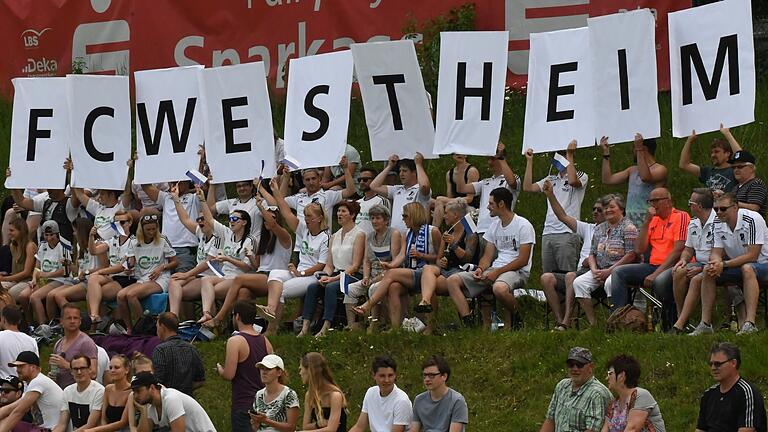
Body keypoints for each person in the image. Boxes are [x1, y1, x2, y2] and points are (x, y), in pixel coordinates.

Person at [446, 187, 535, 329]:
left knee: (499, 288)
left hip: (516, 271)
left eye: (491, 204)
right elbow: (487, 256)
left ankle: (517, 317)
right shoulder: (494, 226)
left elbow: (523, 260)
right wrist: (480, 269)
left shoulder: (523, 225)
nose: (487, 207)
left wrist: (497, 272)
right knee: (452, 280)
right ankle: (468, 322)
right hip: (495, 270)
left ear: (501, 204)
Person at [210, 189, 292, 335]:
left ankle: (219, 318)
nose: (267, 220)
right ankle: (241, 329)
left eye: (272, 217)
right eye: (266, 217)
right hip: (262, 276)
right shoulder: (263, 239)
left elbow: (273, 225)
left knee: (239, 279)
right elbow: (256, 266)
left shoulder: (284, 236)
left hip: (276, 277)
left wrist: (261, 207)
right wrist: (252, 257)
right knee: (243, 292)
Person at [353, 202, 440, 330]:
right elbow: (401, 256)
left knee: (391, 274)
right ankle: (396, 328)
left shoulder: (433, 231)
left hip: (429, 271)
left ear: (414, 215)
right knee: (393, 287)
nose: (403, 220)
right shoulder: (407, 234)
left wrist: (421, 255)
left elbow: (439, 257)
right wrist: (390, 265)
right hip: (413, 271)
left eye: (405, 216)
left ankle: (367, 305)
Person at [693, 193, 768, 335]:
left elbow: (753, 255)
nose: (719, 212)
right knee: (708, 270)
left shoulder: (752, 219)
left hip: (762, 264)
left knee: (747, 268)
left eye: (723, 209)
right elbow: (716, 251)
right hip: (737, 265)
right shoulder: (717, 221)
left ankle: (750, 323)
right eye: (716, 209)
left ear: (735, 207)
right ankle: (705, 324)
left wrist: (724, 264)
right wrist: (715, 262)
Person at [610, 188, 689, 315]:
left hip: (673, 266)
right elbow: (639, 249)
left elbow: (678, 249)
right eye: (650, 201)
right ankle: (620, 316)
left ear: (668, 202)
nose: (652, 204)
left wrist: (656, 273)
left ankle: (670, 321)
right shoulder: (653, 220)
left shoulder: (681, 216)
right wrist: (646, 222)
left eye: (656, 201)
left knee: (660, 281)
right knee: (619, 272)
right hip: (652, 265)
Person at [540, 181, 606, 330]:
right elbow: (562, 216)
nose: (595, 211)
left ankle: (567, 320)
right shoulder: (587, 228)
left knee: (570, 276)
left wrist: (591, 261)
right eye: (593, 209)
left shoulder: (612, 232)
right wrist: (550, 195)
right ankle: (559, 320)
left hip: (595, 275)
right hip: (577, 274)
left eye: (599, 210)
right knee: (546, 278)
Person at [568, 194, 638, 327]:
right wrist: (594, 270)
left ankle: (614, 322)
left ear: (621, 209)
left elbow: (631, 255)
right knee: (579, 283)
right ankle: (593, 323)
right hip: (599, 269)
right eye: (605, 208)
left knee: (610, 283)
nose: (607, 210)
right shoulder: (600, 228)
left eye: (612, 207)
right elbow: (592, 253)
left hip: (619, 270)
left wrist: (609, 271)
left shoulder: (629, 228)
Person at [269, 178, 330, 327]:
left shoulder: (326, 237)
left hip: (313, 276)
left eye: (309, 216)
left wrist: (301, 273)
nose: (306, 219)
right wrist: (276, 192)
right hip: (299, 271)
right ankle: (270, 309)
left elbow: (321, 265)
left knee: (281, 291)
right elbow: (286, 212)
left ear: (320, 218)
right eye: (305, 215)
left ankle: (272, 328)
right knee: (274, 274)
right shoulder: (304, 230)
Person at [300, 201, 365, 337]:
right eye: (338, 211)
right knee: (313, 287)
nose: (339, 214)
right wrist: (326, 276)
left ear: (352, 215)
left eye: (343, 211)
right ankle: (305, 327)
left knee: (331, 287)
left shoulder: (359, 234)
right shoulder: (334, 235)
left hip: (352, 275)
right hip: (336, 273)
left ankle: (326, 326)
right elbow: (329, 265)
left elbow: (355, 265)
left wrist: (333, 278)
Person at [523, 141, 587, 278]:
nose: (557, 160)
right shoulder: (550, 178)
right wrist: (529, 161)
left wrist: (570, 155)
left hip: (567, 232)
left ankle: (569, 300)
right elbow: (528, 187)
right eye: (555, 156)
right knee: (548, 277)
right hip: (548, 233)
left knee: (566, 276)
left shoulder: (581, 175)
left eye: (560, 156)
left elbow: (572, 181)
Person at [197, 186, 257, 327]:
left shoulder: (250, 240)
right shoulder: (227, 233)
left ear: (244, 222)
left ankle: (218, 322)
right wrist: (202, 199)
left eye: (235, 218)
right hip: (224, 276)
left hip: (239, 277)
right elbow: (210, 220)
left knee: (212, 291)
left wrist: (228, 259)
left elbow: (248, 266)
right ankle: (207, 314)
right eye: (230, 218)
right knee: (205, 281)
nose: (231, 221)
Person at [417, 199, 479, 333]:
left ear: (456, 215)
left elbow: (468, 257)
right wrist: (441, 262)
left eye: (446, 213)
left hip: (462, 271)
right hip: (447, 270)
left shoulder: (470, 233)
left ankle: (465, 322)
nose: (444, 216)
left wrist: (454, 245)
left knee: (429, 283)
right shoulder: (448, 232)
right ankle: (426, 303)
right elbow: (438, 258)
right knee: (428, 273)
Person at [216, 301, 274, 432]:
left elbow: (229, 374)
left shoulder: (235, 341)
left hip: (243, 403)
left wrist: (220, 369)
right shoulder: (265, 341)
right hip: (264, 403)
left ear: (237, 317)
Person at [343, 204, 401, 332]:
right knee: (350, 289)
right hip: (372, 275)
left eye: (378, 218)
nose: (374, 221)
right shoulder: (369, 236)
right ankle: (352, 325)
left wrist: (376, 278)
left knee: (374, 288)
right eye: (372, 218)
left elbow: (396, 262)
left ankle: (374, 324)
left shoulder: (393, 234)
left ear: (386, 220)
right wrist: (365, 277)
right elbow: (366, 260)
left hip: (388, 275)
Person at [666, 189, 718, 334]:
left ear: (699, 206)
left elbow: (723, 253)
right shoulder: (694, 223)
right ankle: (681, 318)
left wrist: (702, 269)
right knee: (678, 271)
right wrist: (683, 260)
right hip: (699, 262)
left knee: (696, 279)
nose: (689, 205)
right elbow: (688, 250)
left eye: (691, 203)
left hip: (715, 263)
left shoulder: (718, 222)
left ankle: (679, 324)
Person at [116, 214, 177, 333]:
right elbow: (130, 262)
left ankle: (143, 327)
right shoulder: (134, 242)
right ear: (142, 229)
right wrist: (129, 266)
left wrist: (162, 267)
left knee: (131, 295)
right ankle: (129, 328)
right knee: (120, 295)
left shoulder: (162, 240)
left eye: (154, 229)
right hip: (143, 278)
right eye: (148, 229)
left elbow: (175, 262)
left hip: (160, 278)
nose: (151, 232)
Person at [167, 188, 220, 318]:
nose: (200, 221)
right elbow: (185, 219)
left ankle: (210, 325)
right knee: (174, 282)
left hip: (215, 278)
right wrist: (176, 199)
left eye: (203, 219)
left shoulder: (219, 237)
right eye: (199, 219)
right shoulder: (201, 233)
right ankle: (175, 318)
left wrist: (187, 274)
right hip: (199, 276)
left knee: (200, 285)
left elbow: (208, 262)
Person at [601, 134, 668, 229]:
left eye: (634, 148)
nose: (633, 151)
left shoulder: (660, 169)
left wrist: (639, 149)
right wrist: (606, 154)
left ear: (643, 148)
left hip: (650, 223)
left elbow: (645, 177)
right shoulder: (632, 170)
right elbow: (607, 179)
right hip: (630, 224)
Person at [696, 342, 766, 432]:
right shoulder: (708, 394)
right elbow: (700, 429)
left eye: (718, 364)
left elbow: (746, 430)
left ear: (733, 363)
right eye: (711, 364)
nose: (713, 368)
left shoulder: (746, 393)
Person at [539, 347, 611, 432]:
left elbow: (592, 430)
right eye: (571, 365)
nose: (575, 369)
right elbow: (550, 420)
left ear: (591, 367)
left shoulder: (597, 394)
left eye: (580, 365)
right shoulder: (562, 386)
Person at [454, 142, 520, 234]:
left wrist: (501, 157)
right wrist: (460, 165)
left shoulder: (513, 178)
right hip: (482, 230)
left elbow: (512, 182)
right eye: (488, 159)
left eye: (493, 159)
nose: (489, 162)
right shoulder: (485, 182)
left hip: (501, 230)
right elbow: (461, 188)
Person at [85, 210, 135, 325]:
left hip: (126, 278)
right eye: (116, 223)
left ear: (130, 223)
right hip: (113, 277)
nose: (119, 226)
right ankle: (95, 317)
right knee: (93, 281)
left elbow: (122, 267)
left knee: (92, 294)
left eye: (122, 223)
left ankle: (96, 325)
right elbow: (93, 251)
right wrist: (91, 237)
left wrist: (100, 272)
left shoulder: (134, 241)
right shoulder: (113, 239)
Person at [47, 218, 103, 320]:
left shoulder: (98, 244)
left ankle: (80, 320)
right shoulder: (79, 245)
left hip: (91, 281)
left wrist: (87, 272)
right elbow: (77, 269)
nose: (74, 234)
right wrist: (69, 264)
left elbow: (104, 267)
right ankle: (54, 323)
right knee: (51, 295)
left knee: (59, 296)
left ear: (81, 231)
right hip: (79, 280)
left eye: (75, 231)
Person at [279, 161, 355, 237]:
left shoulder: (328, 195)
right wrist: (286, 178)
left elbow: (350, 191)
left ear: (319, 179)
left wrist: (346, 169)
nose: (311, 182)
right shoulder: (298, 198)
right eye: (307, 180)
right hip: (301, 245)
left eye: (313, 178)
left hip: (322, 244)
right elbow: (280, 200)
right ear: (303, 182)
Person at [141, 180, 201, 273]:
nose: (175, 183)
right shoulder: (166, 197)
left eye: (178, 181)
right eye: (172, 181)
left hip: (185, 250)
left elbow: (207, 197)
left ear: (187, 182)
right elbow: (145, 186)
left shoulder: (194, 198)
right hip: (165, 250)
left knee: (180, 283)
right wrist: (138, 166)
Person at [130, 371, 217, 432]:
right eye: (133, 392)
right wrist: (143, 410)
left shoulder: (171, 399)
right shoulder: (150, 406)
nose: (135, 396)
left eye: (138, 391)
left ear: (152, 388)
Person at [368, 153, 431, 236]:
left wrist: (418, 164)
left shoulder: (419, 190)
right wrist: (389, 166)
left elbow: (424, 185)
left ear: (414, 173)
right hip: (395, 237)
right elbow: (374, 186)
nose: (401, 174)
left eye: (405, 171)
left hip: (414, 236)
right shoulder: (397, 189)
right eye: (400, 171)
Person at [0, 351, 64, 431]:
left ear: (33, 367)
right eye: (16, 367)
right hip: (43, 428)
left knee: (10, 423)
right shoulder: (33, 384)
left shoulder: (38, 381)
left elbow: (19, 412)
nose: (17, 370)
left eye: (21, 366)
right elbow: (11, 407)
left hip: (52, 429)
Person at [602, 354, 666, 431]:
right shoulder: (613, 405)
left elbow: (633, 429)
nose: (607, 378)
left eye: (610, 373)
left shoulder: (641, 395)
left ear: (621, 375)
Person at [349, 355, 412, 432]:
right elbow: (359, 427)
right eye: (382, 376)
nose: (387, 380)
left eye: (390, 375)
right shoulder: (371, 393)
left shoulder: (401, 400)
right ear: (374, 375)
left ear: (395, 375)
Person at [28, 220, 73, 325]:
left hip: (60, 280)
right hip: (43, 280)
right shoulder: (42, 246)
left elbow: (65, 271)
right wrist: (34, 279)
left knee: (35, 297)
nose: (49, 238)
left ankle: (45, 325)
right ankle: (31, 323)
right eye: (46, 234)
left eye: (51, 234)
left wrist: (46, 275)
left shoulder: (63, 246)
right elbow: (37, 267)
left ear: (57, 234)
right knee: (24, 295)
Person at [152, 312, 205, 397]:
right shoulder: (191, 349)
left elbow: (157, 382)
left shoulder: (160, 350)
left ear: (162, 327)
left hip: (166, 402)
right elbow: (200, 381)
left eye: (157, 327)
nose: (157, 331)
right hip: (187, 401)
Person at [411, 355, 467, 432]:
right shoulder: (419, 400)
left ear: (444, 376)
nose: (427, 379)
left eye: (431, 375)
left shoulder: (457, 401)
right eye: (425, 375)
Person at [679, 124, 741, 193]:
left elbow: (742, 157)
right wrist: (689, 140)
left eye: (717, 152)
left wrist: (727, 134)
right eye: (712, 152)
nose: (713, 155)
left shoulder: (734, 170)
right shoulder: (707, 171)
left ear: (727, 153)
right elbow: (684, 165)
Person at [50, 304, 98, 389]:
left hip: (80, 394)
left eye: (75, 318)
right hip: (62, 393)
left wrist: (67, 365)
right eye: (69, 318)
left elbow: (93, 373)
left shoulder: (86, 342)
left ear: (80, 321)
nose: (72, 321)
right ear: (61, 321)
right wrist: (51, 376)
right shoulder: (58, 343)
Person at [52, 355, 105, 432]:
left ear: (89, 369)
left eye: (82, 368)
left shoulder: (99, 391)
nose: (79, 372)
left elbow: (90, 425)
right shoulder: (67, 391)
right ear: (71, 372)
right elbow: (62, 424)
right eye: (75, 369)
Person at [298, 352, 347, 432]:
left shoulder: (335, 395)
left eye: (301, 369)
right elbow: (305, 426)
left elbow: (331, 429)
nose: (300, 373)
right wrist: (318, 424)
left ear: (309, 370)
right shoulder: (309, 395)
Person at [251, 354, 300, 432]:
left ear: (279, 372)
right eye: (262, 369)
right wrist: (255, 425)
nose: (264, 372)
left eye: (268, 369)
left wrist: (266, 421)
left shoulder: (288, 394)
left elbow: (291, 427)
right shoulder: (259, 395)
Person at [84, 354, 131, 432]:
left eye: (117, 367)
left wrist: (96, 430)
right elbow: (103, 418)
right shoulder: (108, 389)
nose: (112, 370)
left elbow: (123, 422)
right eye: (110, 368)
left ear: (126, 370)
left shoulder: (131, 391)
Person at [432, 154, 480, 228]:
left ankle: (434, 230)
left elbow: (470, 198)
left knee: (439, 200)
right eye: (456, 152)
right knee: (429, 201)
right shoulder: (449, 173)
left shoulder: (471, 171)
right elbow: (449, 196)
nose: (458, 154)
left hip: (470, 206)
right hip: (454, 204)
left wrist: (446, 201)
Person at [0, 218, 36, 304]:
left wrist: (5, 278)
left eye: (12, 230)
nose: (9, 233)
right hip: (15, 281)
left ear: (21, 231)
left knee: (10, 293)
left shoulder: (30, 246)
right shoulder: (13, 245)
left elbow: (26, 273)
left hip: (28, 281)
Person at [0, 305, 38, 378]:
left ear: (4, 319)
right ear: (19, 321)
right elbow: (35, 368)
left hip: (4, 386)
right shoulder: (31, 341)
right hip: (26, 386)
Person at [730, 150, 768, 215]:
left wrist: (730, 203)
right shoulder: (736, 187)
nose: (736, 169)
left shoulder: (756, 184)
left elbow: (754, 208)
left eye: (740, 167)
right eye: (733, 167)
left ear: (752, 168)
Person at [354, 167, 390, 235]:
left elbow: (386, 224)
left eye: (365, 180)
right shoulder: (357, 203)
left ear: (374, 180)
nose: (361, 182)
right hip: (357, 242)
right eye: (359, 180)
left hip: (374, 243)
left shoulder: (381, 200)